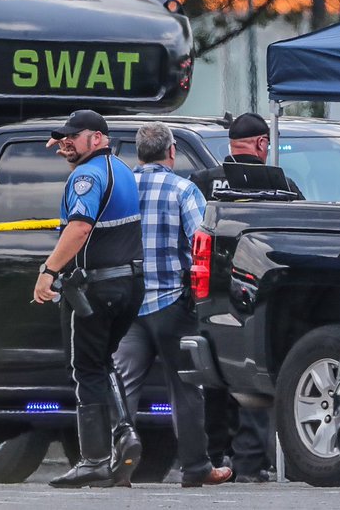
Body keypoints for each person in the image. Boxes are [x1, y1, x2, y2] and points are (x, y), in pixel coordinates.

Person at [112, 122, 233, 487]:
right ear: (171, 152)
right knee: (185, 388)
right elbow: (201, 242)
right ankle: (196, 468)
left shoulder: (119, 190)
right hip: (171, 304)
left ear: (138, 153)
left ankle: (118, 466)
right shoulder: (183, 189)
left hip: (127, 304)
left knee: (123, 385)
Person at [34, 110, 145, 489]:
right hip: (130, 285)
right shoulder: (122, 170)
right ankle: (124, 435)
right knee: (102, 361)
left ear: (97, 138)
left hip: (94, 288)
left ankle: (95, 459)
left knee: (85, 369)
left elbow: (80, 228)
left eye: (74, 137)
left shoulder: (85, 177)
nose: (66, 143)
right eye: (63, 138)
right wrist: (66, 141)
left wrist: (48, 271)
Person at [190, 112, 278, 483]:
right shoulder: (280, 186)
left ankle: (212, 457)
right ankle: (250, 463)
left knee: (211, 376)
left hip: (206, 294)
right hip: (256, 296)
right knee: (252, 376)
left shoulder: (202, 182)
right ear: (261, 144)